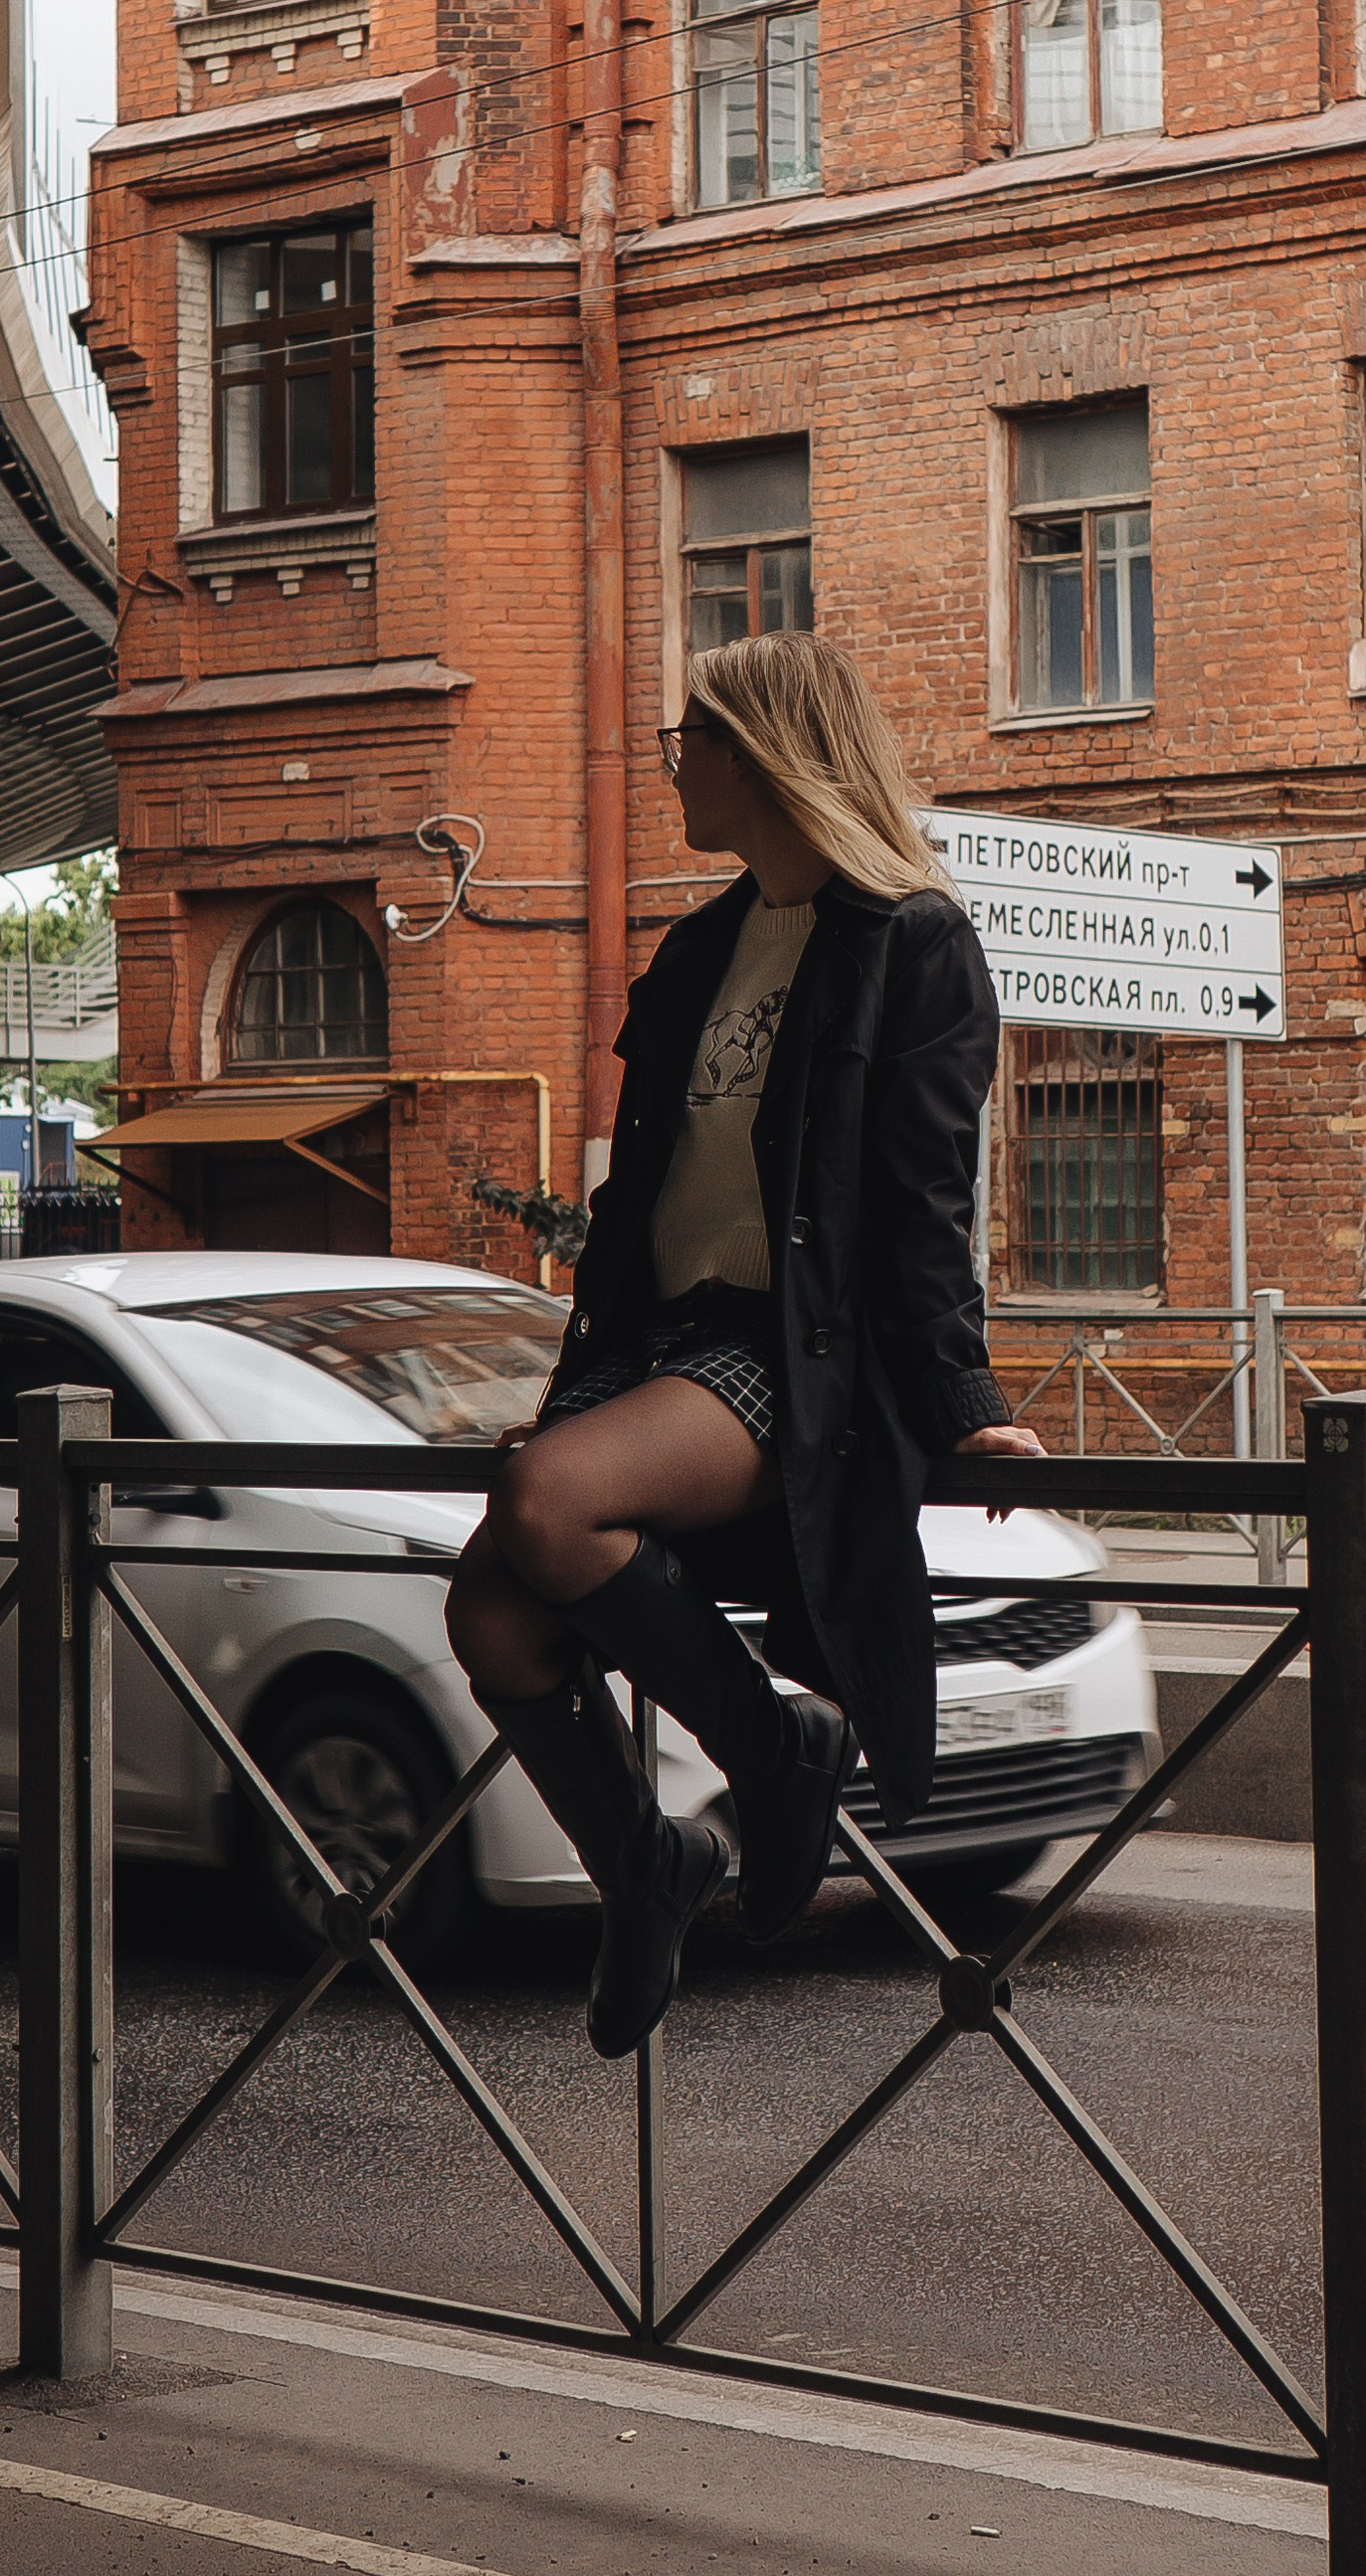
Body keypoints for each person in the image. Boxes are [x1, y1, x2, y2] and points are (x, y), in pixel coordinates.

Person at [446, 632, 1044, 2057]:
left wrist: (965, 1401)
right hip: (660, 1346)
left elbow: (920, 1205)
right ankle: (647, 1867)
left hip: (796, 1352)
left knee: (545, 1500)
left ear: (762, 754)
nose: (671, 768)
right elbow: (642, 1186)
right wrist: (584, 1381)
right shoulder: (707, 944)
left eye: (689, 742)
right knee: (493, 1617)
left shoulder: (913, 943)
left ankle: (773, 1754)